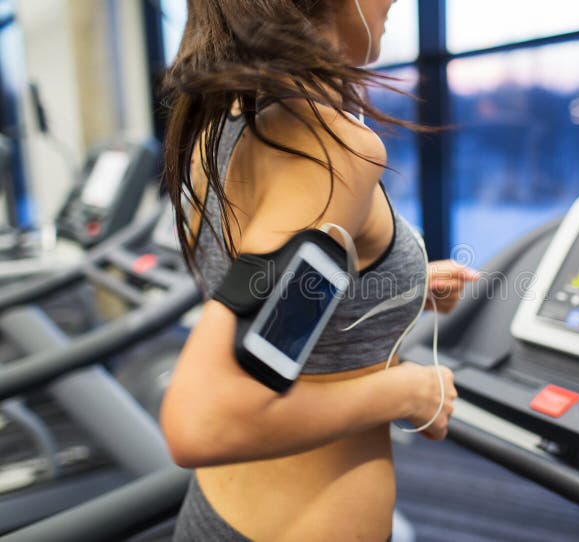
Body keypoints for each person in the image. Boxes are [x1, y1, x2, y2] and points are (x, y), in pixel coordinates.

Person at [159, 1, 479, 540]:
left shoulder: (228, 117)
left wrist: (391, 288)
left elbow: (256, 287)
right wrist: (409, 391)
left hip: (227, 511)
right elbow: (203, 422)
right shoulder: (327, 150)